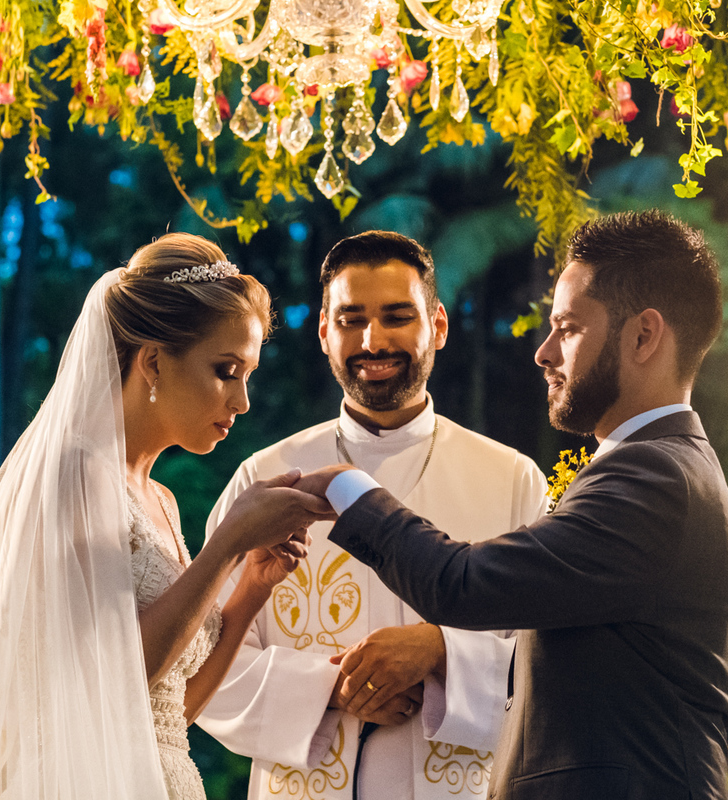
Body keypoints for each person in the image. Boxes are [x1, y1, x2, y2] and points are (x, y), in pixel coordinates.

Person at [0, 233, 331, 800]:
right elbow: (108, 685)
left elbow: (167, 713)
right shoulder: (75, 477)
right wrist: (227, 542)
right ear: (155, 361)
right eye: (226, 370)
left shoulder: (161, 501)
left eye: (248, 375)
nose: (242, 401)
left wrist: (253, 587)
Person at [278, 211, 728, 799]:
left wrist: (347, 487)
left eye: (568, 328)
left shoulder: (653, 476)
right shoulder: (661, 466)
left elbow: (463, 584)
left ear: (643, 336)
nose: (543, 353)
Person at [196, 231, 549, 800]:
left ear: (437, 324)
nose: (372, 340)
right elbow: (204, 664)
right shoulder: (263, 479)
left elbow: (551, 664)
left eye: (396, 317)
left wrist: (438, 652)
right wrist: (332, 688)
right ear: (323, 333)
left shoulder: (514, 481)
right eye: (351, 319)